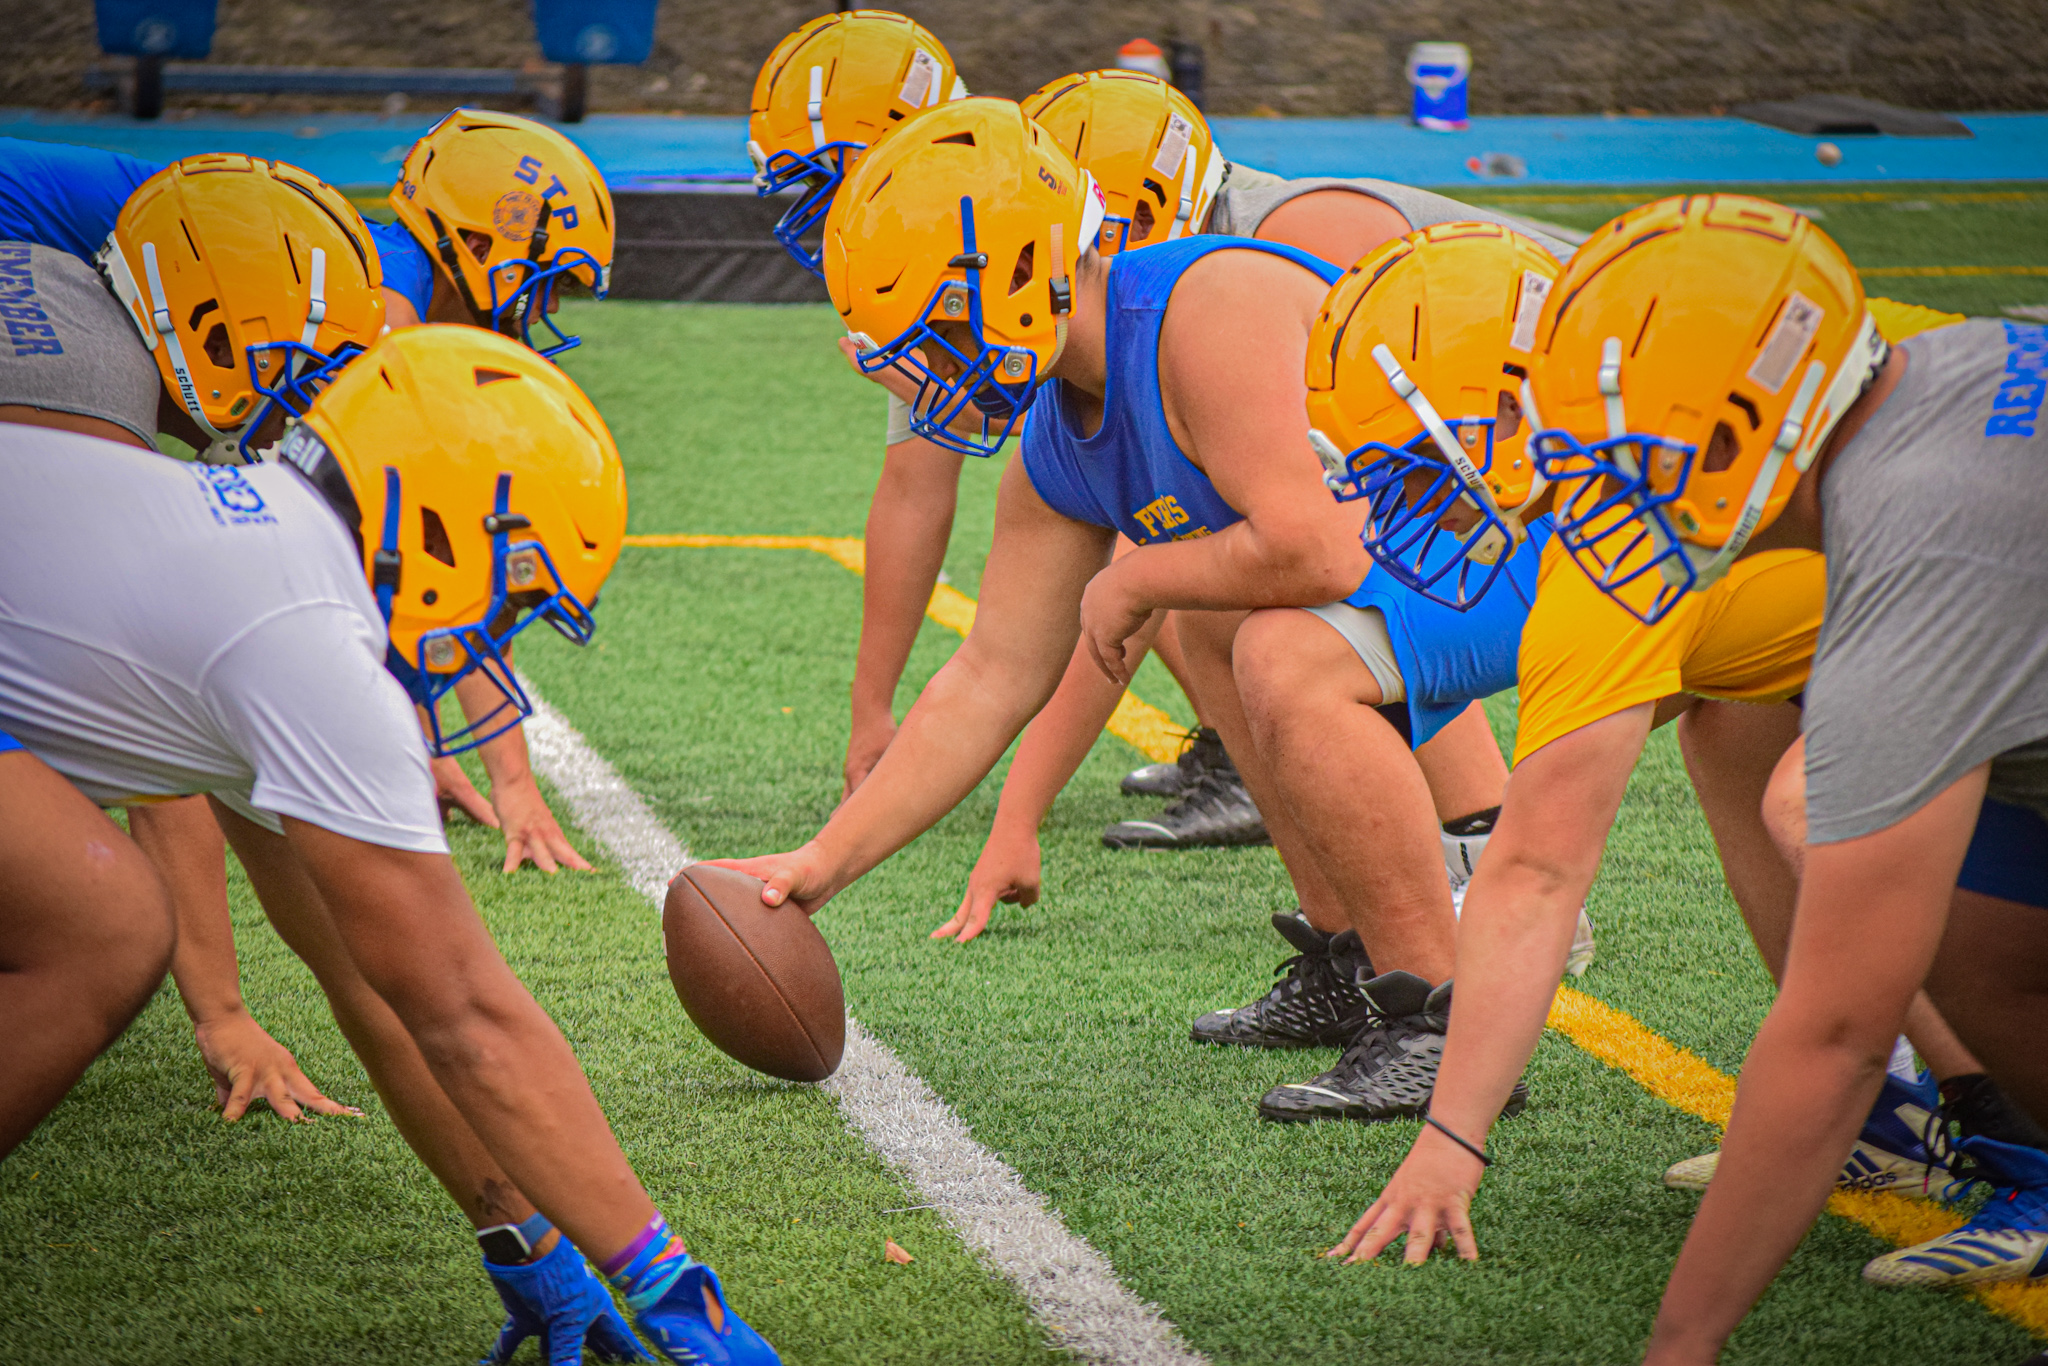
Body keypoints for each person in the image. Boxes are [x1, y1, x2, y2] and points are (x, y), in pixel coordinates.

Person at [720, 97, 1545, 1123]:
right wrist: (822, 861)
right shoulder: (1056, 435)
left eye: (933, 329)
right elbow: (989, 674)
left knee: (1282, 647)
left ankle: (1438, 1020)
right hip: (1450, 555)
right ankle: (1351, 957)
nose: (926, 369)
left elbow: (1316, 548)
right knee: (1222, 624)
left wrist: (1138, 575)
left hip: (1553, 534)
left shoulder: (1206, 310)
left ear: (1019, 275)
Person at [1342, 195, 2048, 1352]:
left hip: (1940, 624)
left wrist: (1679, 1342)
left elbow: (1829, 1029)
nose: (1575, 482)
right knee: (1779, 771)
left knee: (1864, 864)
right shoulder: (1932, 378)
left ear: (1733, 422)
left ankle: (2013, 1146)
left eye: (1603, 445)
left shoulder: (1921, 539)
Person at [0, 324, 778, 1365]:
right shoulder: (309, 642)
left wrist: (523, 1232)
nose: (494, 635)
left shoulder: (260, 549)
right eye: (512, 590)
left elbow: (371, 974)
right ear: (442, 525)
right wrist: (665, 1278)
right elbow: (466, 1014)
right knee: (106, 921)